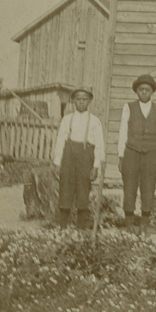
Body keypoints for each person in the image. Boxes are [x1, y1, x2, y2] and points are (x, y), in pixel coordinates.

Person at [118, 73, 156, 234]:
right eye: (141, 89)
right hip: (131, 152)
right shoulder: (128, 107)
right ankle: (129, 223)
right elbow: (122, 133)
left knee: (148, 188)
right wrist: (121, 156)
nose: (144, 92)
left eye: (147, 89)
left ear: (152, 91)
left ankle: (144, 224)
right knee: (130, 187)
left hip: (151, 154)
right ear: (136, 91)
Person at [52, 87, 104, 229]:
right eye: (78, 99)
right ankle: (62, 227)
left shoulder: (95, 121)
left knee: (83, 191)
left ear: (89, 101)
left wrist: (95, 166)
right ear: (73, 101)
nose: (81, 102)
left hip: (86, 158)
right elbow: (60, 142)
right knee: (65, 190)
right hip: (68, 158)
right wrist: (57, 163)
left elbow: (99, 144)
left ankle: (81, 228)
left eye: (84, 99)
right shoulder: (67, 119)